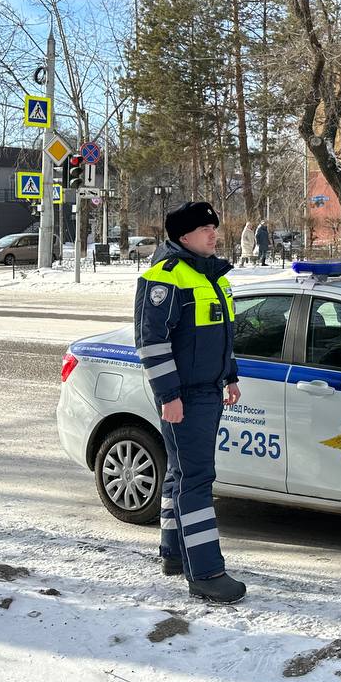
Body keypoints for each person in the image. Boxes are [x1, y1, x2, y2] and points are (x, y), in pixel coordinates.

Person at [134, 201, 245, 605]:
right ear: (184, 237)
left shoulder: (213, 276)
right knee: (197, 480)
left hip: (209, 390)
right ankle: (206, 572)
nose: (214, 233)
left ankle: (174, 554)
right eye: (204, 229)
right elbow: (152, 343)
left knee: (181, 474)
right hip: (185, 395)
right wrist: (169, 397)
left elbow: (222, 334)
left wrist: (229, 377)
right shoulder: (165, 278)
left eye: (213, 227)